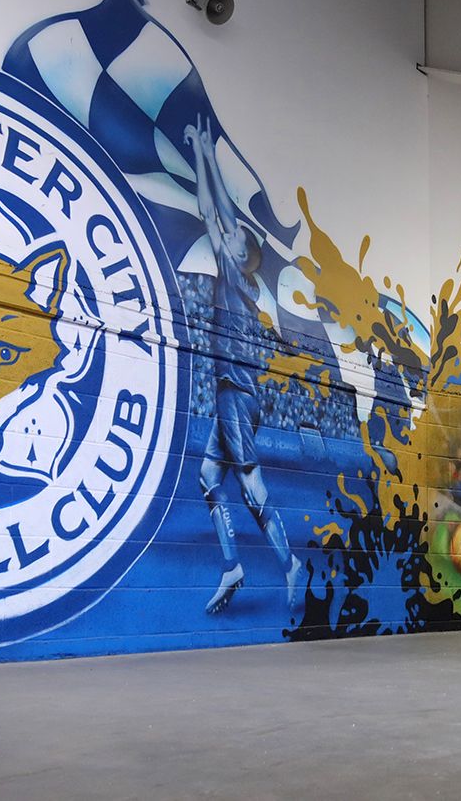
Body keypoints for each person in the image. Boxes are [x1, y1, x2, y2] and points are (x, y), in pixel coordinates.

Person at [185, 116, 303, 615]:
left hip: (235, 392)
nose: (226, 233)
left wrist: (205, 155)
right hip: (234, 392)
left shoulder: (235, 275)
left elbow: (215, 212)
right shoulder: (242, 286)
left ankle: (291, 564)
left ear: (242, 253)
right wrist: (205, 154)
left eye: (234, 236)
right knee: (209, 478)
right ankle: (232, 566)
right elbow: (216, 215)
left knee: (252, 490)